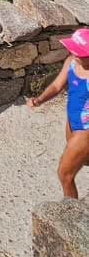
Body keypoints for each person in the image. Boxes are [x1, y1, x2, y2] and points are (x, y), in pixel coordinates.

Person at [28, 29, 89, 199]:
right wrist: (39, 100)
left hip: (85, 131)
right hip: (72, 123)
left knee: (65, 174)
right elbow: (56, 86)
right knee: (83, 160)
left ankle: (70, 212)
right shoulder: (71, 62)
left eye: (79, 52)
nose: (74, 53)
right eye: (73, 49)